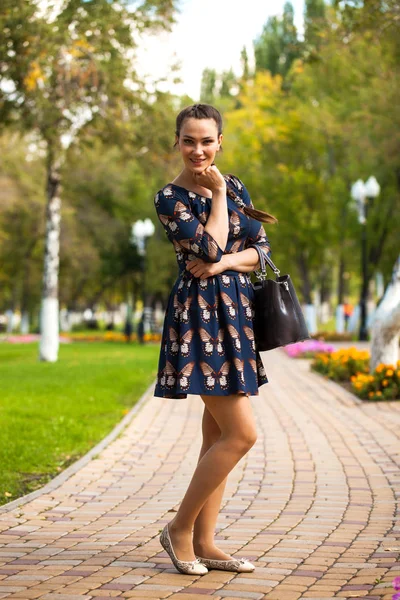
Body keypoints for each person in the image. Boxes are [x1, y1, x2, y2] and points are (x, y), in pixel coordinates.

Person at [154, 104, 277, 576]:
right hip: (198, 321)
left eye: (207, 141)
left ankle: (205, 541)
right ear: (178, 142)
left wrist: (225, 263)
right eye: (189, 140)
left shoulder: (238, 185)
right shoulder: (170, 198)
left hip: (235, 315)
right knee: (242, 434)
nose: (199, 150)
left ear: (220, 141)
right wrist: (222, 195)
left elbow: (258, 251)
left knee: (216, 436)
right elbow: (209, 245)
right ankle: (179, 530)